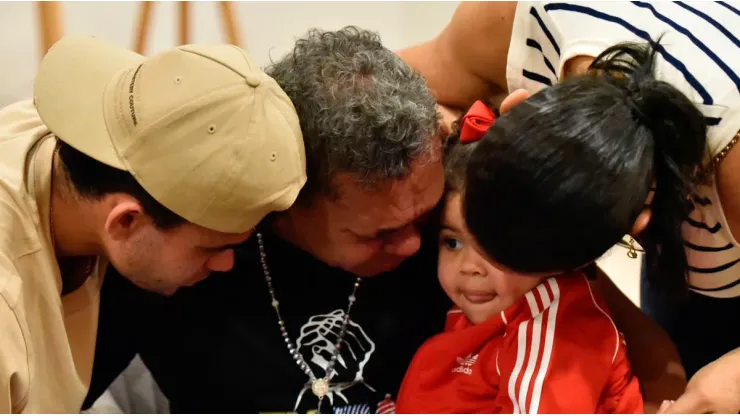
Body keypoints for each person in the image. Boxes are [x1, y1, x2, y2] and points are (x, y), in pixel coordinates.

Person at [82, 26, 449, 414]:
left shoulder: (457, 215)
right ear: (288, 199)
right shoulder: (184, 252)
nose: (413, 245)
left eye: (424, 218)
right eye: (380, 234)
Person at [398, 1, 740, 413]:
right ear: (514, 107)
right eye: (454, 240)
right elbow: (393, 91)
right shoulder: (511, 22)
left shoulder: (731, 169)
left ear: (636, 226)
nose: (473, 268)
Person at [0, 35, 307, 413]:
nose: (227, 264)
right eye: (211, 248)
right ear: (126, 221)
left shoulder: (73, 147)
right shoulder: (7, 314)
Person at [396, 100, 643, 413]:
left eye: (493, 242)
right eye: (453, 243)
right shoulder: (479, 312)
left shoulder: (557, 326)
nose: (471, 268)